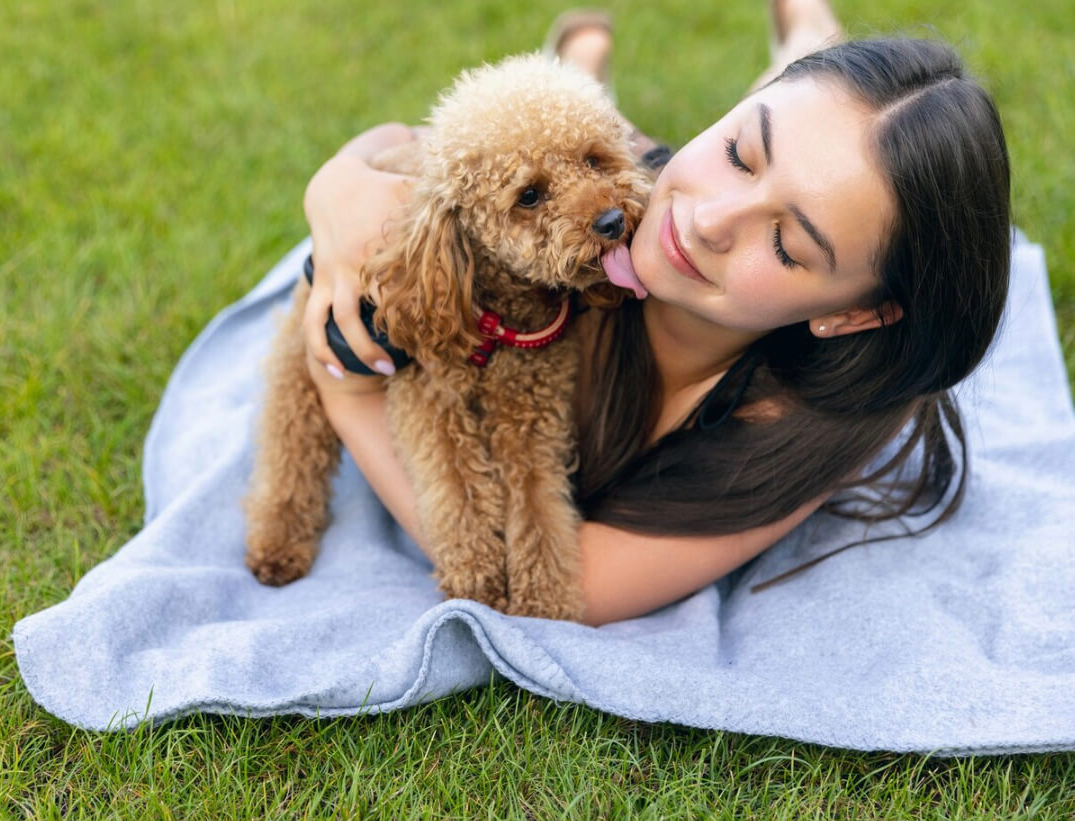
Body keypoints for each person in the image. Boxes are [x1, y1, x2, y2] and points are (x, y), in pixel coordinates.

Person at [294, 0, 1012, 625]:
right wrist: (336, 187)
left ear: (852, 315)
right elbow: (396, 147)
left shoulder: (801, 427)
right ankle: (592, 60)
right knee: (660, 138)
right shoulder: (629, 200)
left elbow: (577, 588)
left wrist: (346, 388)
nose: (705, 221)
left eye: (786, 244)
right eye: (738, 151)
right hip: (634, 164)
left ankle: (803, 27)